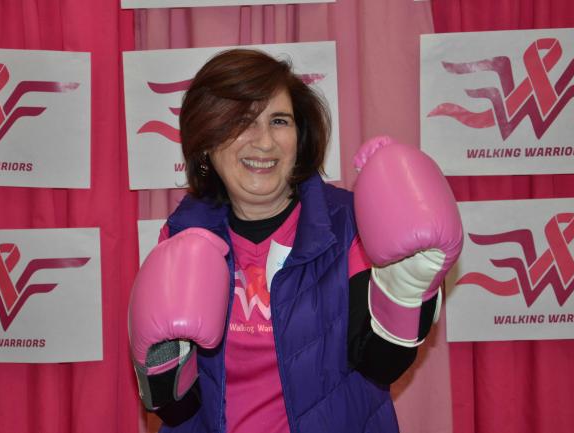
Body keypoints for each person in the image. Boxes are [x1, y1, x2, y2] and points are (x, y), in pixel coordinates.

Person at [128, 48, 463, 433]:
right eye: (242, 121)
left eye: (279, 121)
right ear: (207, 141)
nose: (265, 142)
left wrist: (405, 293)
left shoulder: (348, 224)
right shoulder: (183, 233)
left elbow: (380, 365)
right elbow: (176, 411)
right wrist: (162, 364)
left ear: (300, 136)